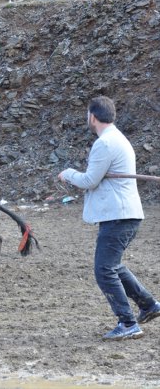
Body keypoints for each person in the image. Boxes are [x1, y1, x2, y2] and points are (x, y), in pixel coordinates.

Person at [58, 96, 160, 341]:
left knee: (104, 270)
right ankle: (149, 305)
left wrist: (67, 174)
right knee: (112, 265)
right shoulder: (118, 138)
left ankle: (127, 323)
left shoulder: (105, 143)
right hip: (125, 214)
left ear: (93, 116)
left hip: (119, 215)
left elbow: (89, 180)